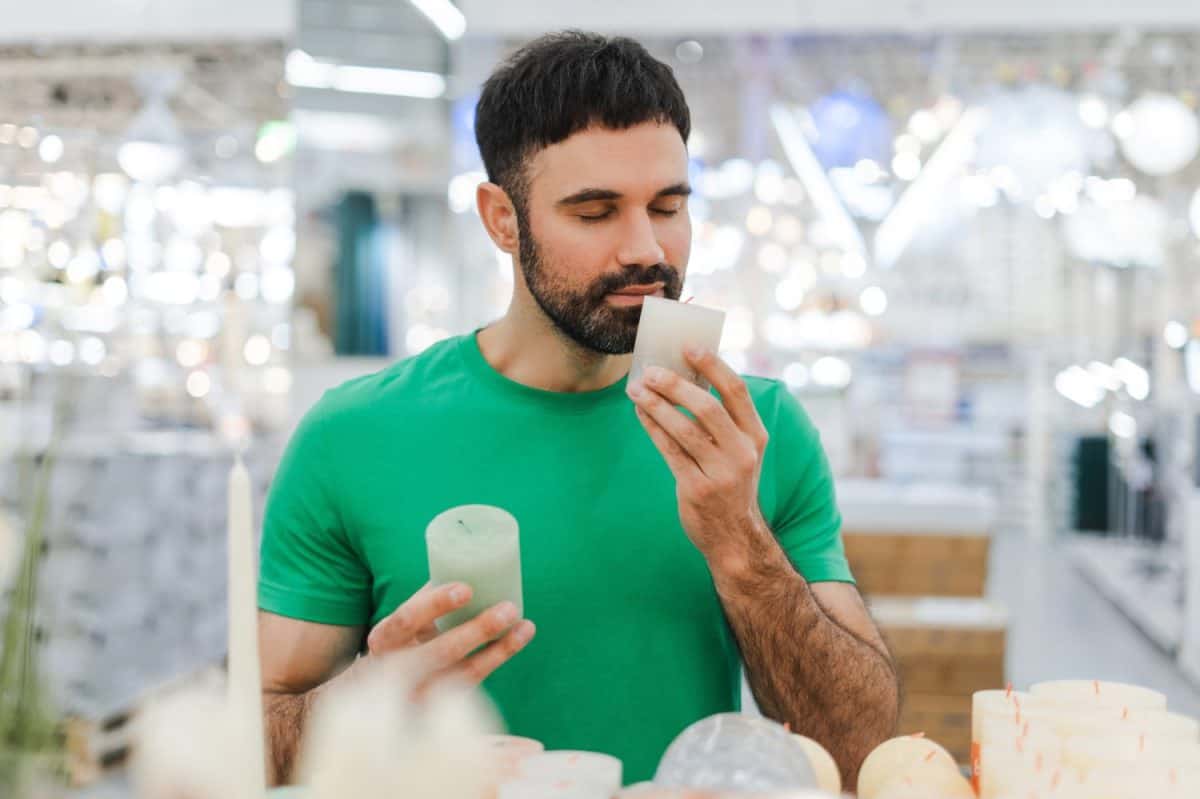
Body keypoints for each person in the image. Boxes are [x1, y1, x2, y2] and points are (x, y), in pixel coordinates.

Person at [258, 30, 899, 789]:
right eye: (595, 212)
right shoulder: (353, 436)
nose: (644, 248)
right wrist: (367, 697)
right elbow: (252, 743)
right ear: (502, 218)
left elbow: (860, 749)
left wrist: (738, 539)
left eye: (667, 206)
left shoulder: (756, 432)